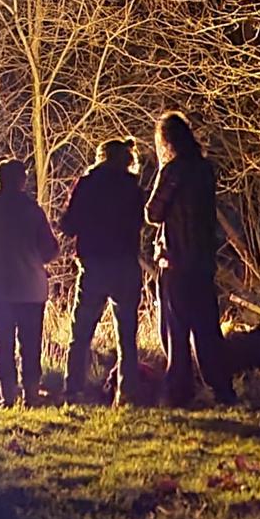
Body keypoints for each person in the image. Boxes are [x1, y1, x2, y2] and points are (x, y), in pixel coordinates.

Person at [148, 113, 236, 407]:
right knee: (207, 329)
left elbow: (153, 213)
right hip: (202, 260)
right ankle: (222, 389)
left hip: (175, 261)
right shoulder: (204, 169)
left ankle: (179, 391)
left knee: (176, 331)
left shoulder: (172, 171)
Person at [61, 138, 149, 404]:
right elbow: (139, 223)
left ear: (100, 157)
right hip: (125, 263)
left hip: (94, 264)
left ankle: (73, 388)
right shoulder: (133, 188)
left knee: (81, 333)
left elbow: (69, 224)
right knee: (126, 335)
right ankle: (127, 392)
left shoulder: (88, 184)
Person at [0, 157, 59, 408]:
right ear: (22, 180)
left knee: (3, 341)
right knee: (30, 342)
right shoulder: (32, 211)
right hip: (30, 288)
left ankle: (7, 394)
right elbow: (50, 249)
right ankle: (31, 393)